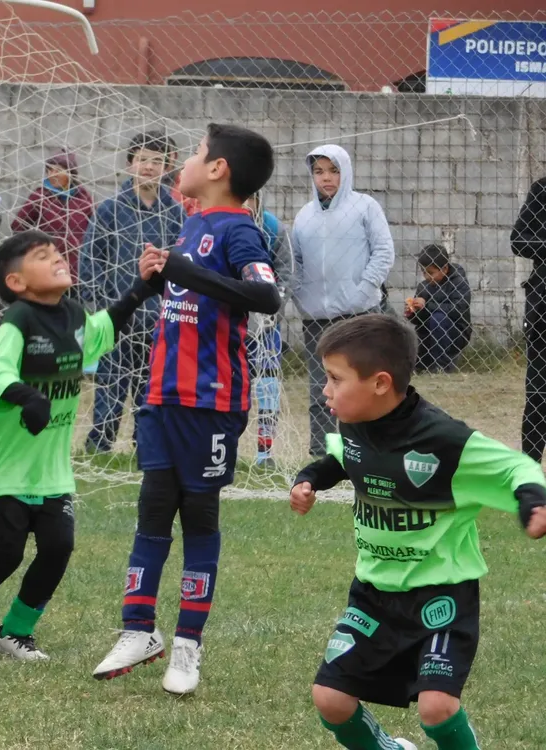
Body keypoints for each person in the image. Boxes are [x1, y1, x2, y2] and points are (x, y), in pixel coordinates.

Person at [289, 314, 546, 750]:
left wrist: (532, 500)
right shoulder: (354, 422)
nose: (325, 390)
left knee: (436, 708)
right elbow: (343, 456)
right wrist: (310, 476)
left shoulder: (444, 440)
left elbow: (514, 466)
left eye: (334, 378)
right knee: (330, 698)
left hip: (443, 597)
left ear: (380, 383)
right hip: (373, 593)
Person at [92, 123, 280, 694]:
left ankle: (186, 648)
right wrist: (156, 281)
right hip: (162, 396)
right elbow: (188, 290)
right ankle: (138, 628)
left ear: (219, 170)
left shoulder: (240, 231)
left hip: (211, 403)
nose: (188, 160)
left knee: (198, 518)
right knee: (152, 510)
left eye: (197, 153)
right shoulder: (193, 220)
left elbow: (265, 295)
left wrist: (185, 270)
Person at [0, 230, 158, 661]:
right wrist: (29, 397)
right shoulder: (18, 320)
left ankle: (15, 631)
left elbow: (104, 328)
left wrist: (142, 287)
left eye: (56, 252)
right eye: (42, 256)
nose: (57, 258)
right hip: (6, 466)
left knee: (57, 547)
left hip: (51, 470)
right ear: (16, 283)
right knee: (7, 552)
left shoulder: (72, 314)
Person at [79, 131, 186, 453]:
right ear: (130, 165)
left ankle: (145, 444)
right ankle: (100, 444)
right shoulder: (110, 210)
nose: (149, 168)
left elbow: (183, 264)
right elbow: (90, 259)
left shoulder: (176, 213)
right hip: (117, 315)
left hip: (158, 319)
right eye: (142, 160)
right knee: (111, 383)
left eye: (156, 161)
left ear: (167, 166)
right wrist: (101, 305)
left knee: (150, 387)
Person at [292, 144, 395, 457]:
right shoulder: (304, 216)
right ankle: (322, 454)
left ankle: (368, 450)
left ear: (345, 172)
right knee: (320, 390)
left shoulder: (365, 207)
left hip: (358, 315)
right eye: (319, 171)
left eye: (334, 170)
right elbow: (294, 261)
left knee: (362, 385)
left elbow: (383, 252)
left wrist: (362, 291)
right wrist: (300, 296)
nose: (326, 178)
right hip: (316, 319)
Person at [247, 190, 296, 468]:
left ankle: (264, 454)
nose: (245, 203)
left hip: (266, 328)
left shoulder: (274, 229)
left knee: (268, 389)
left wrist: (270, 310)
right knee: (233, 390)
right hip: (232, 328)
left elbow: (286, 274)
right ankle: (225, 446)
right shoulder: (222, 225)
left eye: (250, 198)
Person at [11, 150, 94, 286]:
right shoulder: (40, 196)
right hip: (48, 267)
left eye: (57, 170)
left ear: (70, 173)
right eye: (49, 170)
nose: (52, 174)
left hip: (77, 269)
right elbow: (18, 225)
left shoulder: (83, 197)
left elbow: (95, 229)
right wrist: (36, 249)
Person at [511, 175, 546, 462]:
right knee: (538, 394)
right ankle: (530, 468)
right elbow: (519, 240)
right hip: (543, 308)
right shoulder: (542, 190)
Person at [405, 244, 471, 374]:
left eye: (430, 272)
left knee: (438, 318)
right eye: (423, 272)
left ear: (445, 269)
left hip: (456, 332)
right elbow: (419, 321)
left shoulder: (458, 282)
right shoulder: (423, 287)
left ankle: (442, 367)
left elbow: (458, 309)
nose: (426, 276)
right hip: (429, 335)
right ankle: (421, 365)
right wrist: (413, 312)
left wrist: (427, 306)